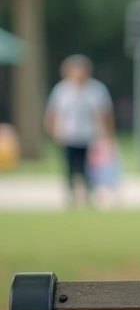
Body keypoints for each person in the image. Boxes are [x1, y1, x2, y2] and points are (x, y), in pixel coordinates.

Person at [44, 54, 113, 207]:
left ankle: (89, 194)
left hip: (90, 136)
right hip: (68, 135)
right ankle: (71, 196)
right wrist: (53, 131)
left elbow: (105, 114)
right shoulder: (62, 90)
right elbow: (52, 113)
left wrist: (107, 135)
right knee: (69, 167)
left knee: (89, 168)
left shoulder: (96, 90)